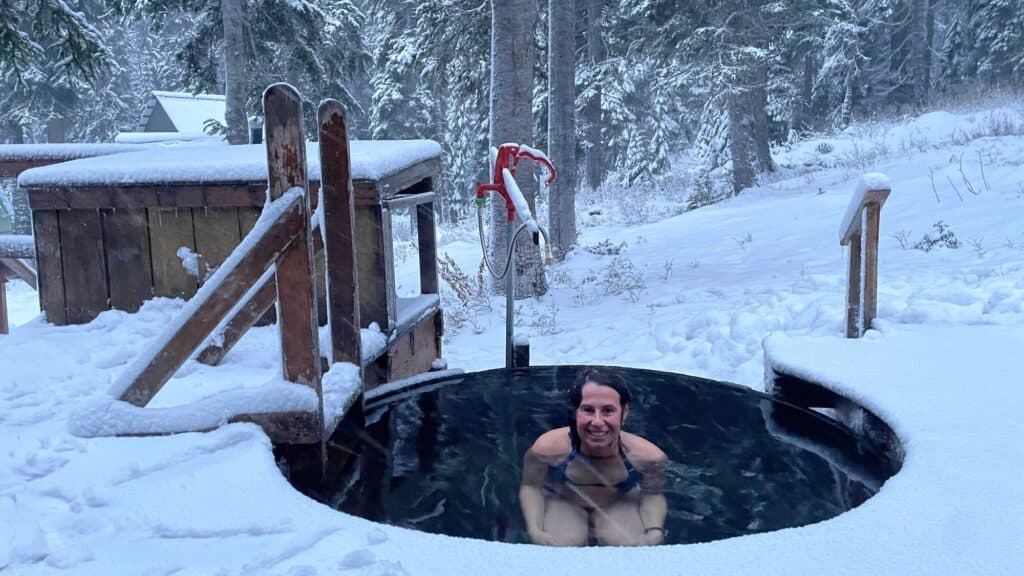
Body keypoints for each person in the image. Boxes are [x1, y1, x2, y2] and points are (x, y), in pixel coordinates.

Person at [519, 368, 668, 546]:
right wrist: (534, 528)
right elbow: (531, 487)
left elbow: (653, 494)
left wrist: (654, 529)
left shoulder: (648, 457)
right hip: (565, 500)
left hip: (619, 501)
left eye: (608, 410)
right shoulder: (548, 449)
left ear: (624, 412)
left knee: (627, 546)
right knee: (562, 545)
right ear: (575, 412)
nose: (597, 422)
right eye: (588, 410)